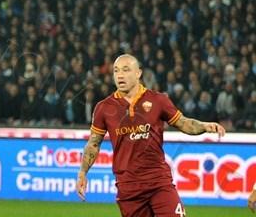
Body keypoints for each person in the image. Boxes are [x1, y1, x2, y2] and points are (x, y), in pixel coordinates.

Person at [76, 54, 225, 217]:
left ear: (138, 73)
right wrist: (83, 172)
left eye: (126, 70)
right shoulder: (104, 108)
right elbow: (93, 144)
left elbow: (183, 123)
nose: (120, 75)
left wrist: (204, 126)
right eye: (116, 71)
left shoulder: (158, 100)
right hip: (128, 186)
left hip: (158, 181)